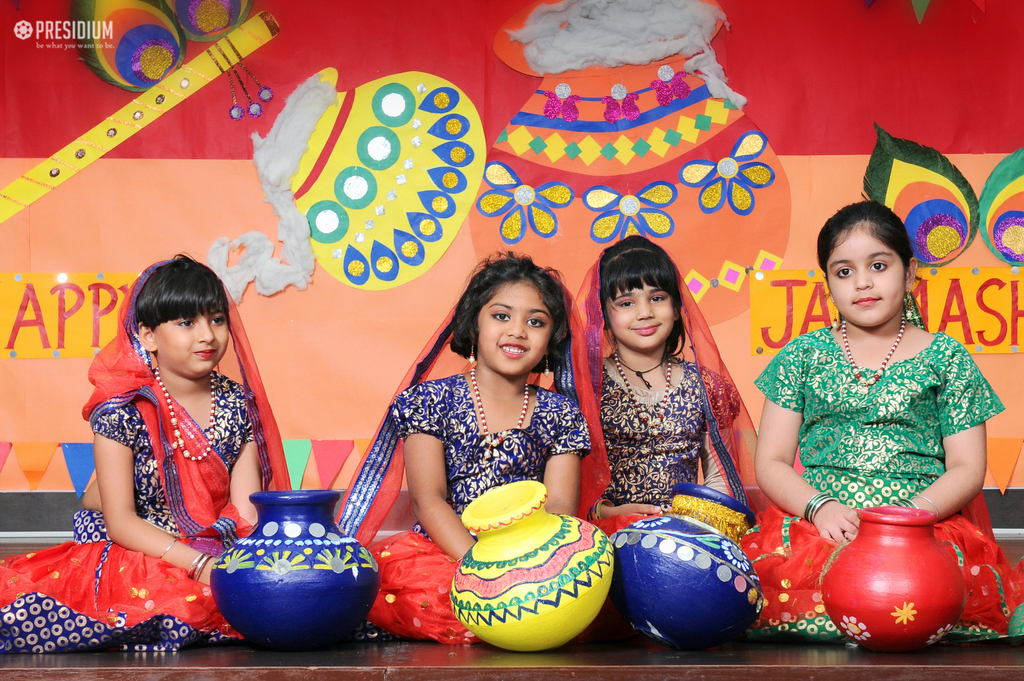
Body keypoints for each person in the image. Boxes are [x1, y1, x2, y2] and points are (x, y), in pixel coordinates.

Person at [741, 200, 1024, 643]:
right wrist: (821, 508)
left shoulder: (945, 357)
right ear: (828, 284)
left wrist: (909, 518)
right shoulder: (801, 355)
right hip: (820, 525)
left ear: (910, 273)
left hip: (921, 525)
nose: (863, 283)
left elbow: (968, 467)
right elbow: (771, 461)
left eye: (878, 264)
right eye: (844, 271)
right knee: (762, 600)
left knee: (930, 600)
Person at [0, 256, 290, 653]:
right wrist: (200, 565)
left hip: (214, 545)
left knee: (291, 597)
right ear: (148, 336)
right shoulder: (122, 409)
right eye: (186, 323)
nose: (207, 335)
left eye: (217, 319)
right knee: (173, 604)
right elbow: (120, 521)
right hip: (140, 548)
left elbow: (245, 512)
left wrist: (241, 565)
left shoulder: (240, 403)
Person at [336, 253, 593, 644]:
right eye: (501, 316)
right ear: (474, 322)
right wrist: (482, 568)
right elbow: (429, 499)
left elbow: (559, 505)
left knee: (584, 595)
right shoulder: (430, 400)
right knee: (435, 598)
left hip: (533, 554)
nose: (518, 331)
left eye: (535, 322)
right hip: (450, 553)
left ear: (552, 339)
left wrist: (530, 564)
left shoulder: (561, 413)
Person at [577, 236, 756, 538]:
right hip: (603, 535)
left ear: (676, 307)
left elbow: (721, 474)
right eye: (626, 303)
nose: (644, 312)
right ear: (604, 316)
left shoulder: (705, 384)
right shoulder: (585, 386)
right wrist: (606, 513)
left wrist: (696, 524)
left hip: (687, 534)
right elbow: (569, 482)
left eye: (657, 298)